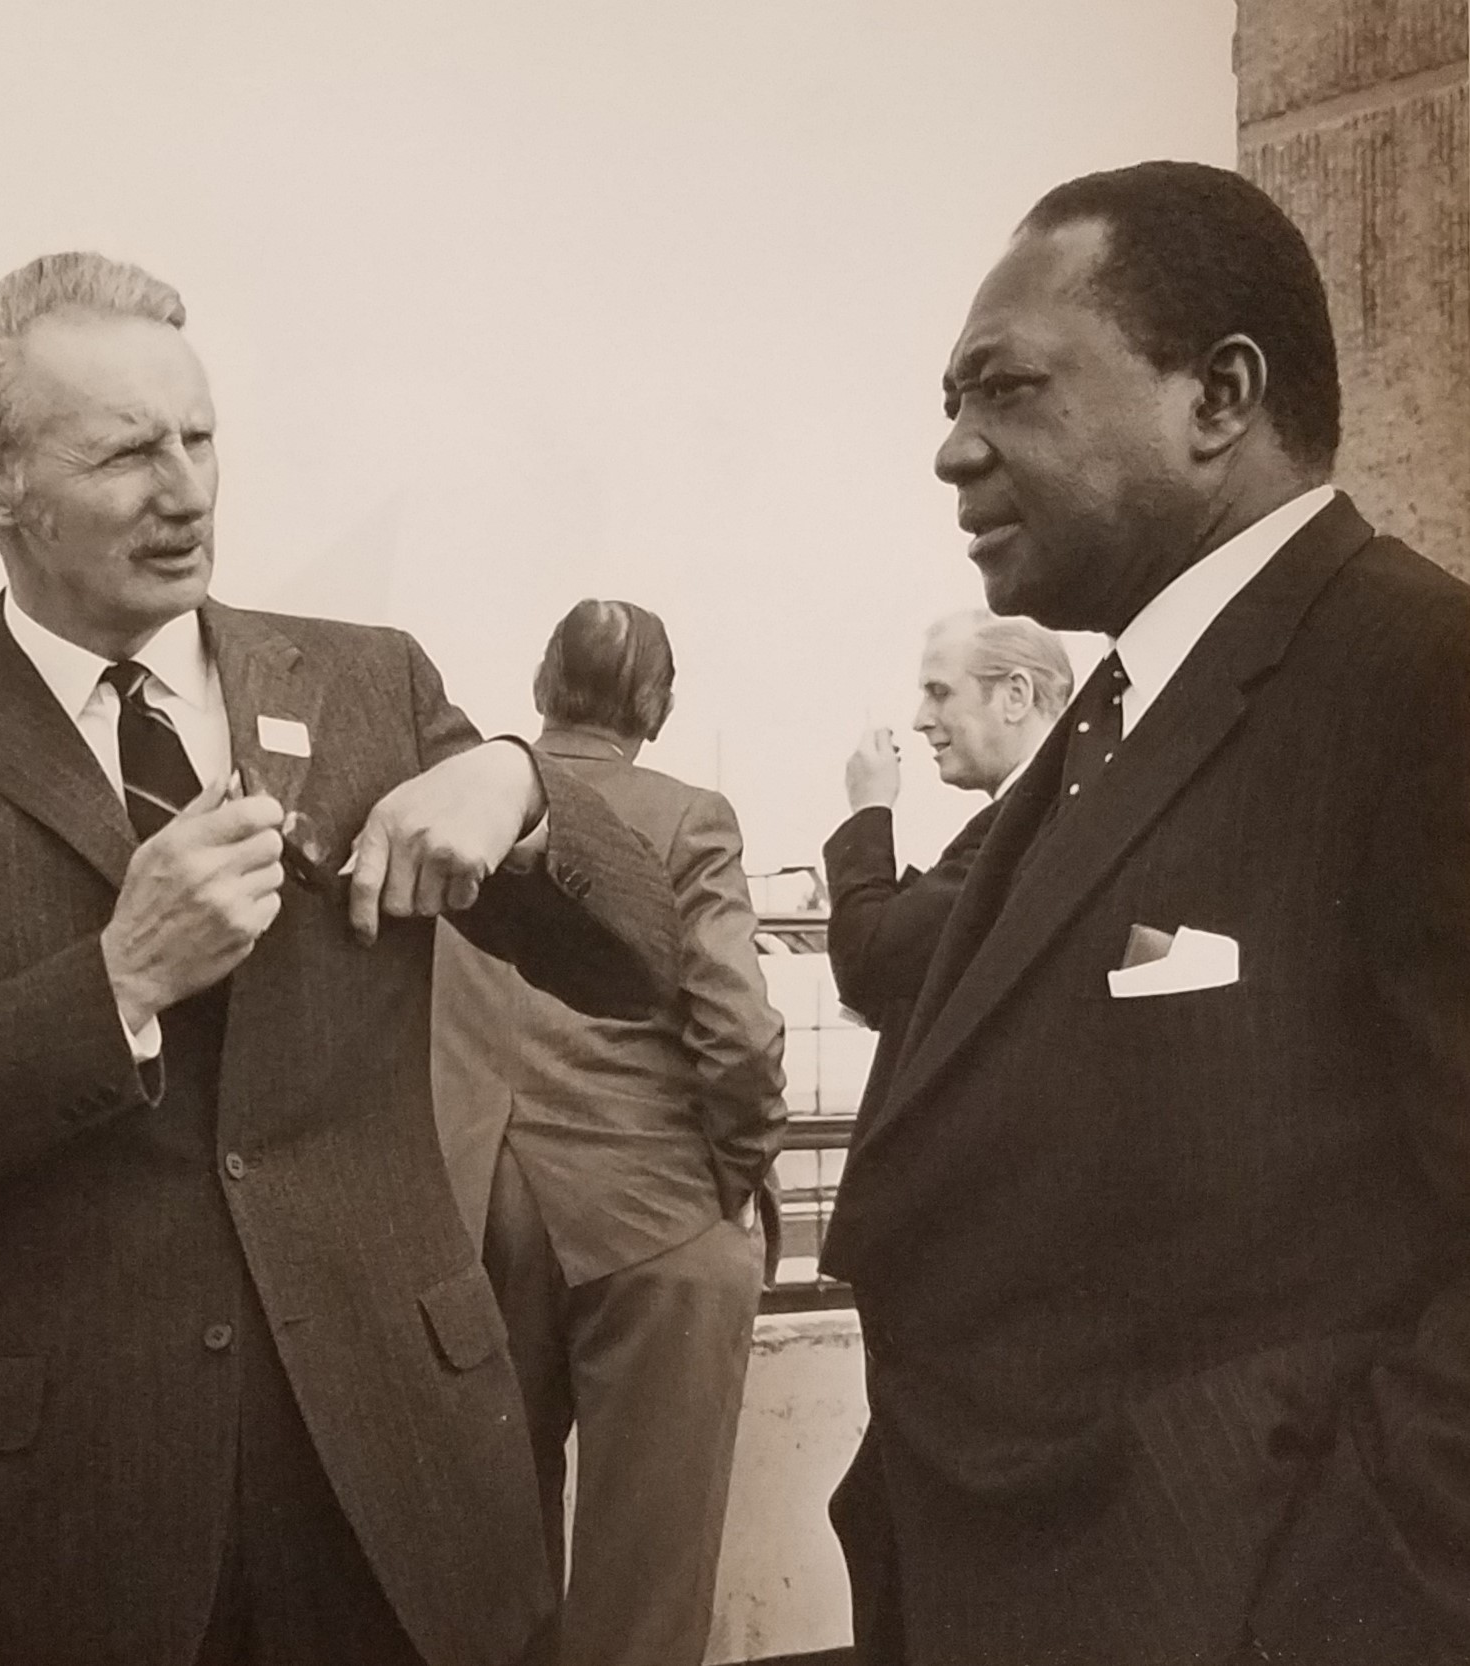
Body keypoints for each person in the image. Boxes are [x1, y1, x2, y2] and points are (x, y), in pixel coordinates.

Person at [0, 252, 677, 1666]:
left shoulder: (371, 683)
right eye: (125, 451)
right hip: (76, 1519)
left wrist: (519, 786)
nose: (186, 491)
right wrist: (111, 983)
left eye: (199, 436)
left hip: (407, 1482)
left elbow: (641, 961)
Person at [819, 160, 1470, 1665]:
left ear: (1217, 397)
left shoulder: (1418, 683)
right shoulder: (1108, 716)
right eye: (947, 395)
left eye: (1009, 389)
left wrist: (1337, 1618)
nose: (949, 450)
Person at [431, 598, 787, 1666]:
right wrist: (733, 1174)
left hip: (470, 1212)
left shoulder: (461, 807)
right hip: (648, 1217)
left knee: (489, 1569)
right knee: (645, 1577)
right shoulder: (689, 817)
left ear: (541, 688)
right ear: (658, 707)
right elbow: (736, 1028)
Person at [823, 611, 1071, 1082]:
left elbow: (869, 964)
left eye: (939, 692)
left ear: (1015, 696)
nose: (920, 720)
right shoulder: (1052, 804)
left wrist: (870, 810)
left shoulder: (1025, 825)